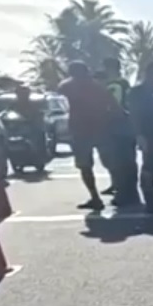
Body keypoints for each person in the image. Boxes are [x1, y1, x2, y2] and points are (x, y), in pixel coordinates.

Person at [56, 61, 118, 211]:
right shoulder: (97, 86)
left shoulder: (67, 86)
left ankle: (95, 197)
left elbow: (62, 98)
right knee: (108, 161)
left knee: (85, 166)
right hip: (99, 128)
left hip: (80, 130)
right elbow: (113, 104)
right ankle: (117, 189)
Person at [126, 59, 153, 214]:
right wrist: (139, 135)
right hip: (148, 134)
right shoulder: (137, 92)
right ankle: (151, 202)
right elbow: (134, 115)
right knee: (149, 169)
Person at [98, 59, 139, 208]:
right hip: (127, 126)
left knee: (119, 162)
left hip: (116, 127)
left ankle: (123, 194)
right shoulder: (125, 83)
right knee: (128, 161)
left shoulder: (114, 85)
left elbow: (113, 106)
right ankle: (130, 193)